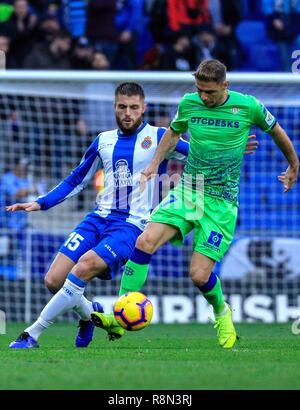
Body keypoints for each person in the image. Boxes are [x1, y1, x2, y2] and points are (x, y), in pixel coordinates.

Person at [7, 81, 257, 349]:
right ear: (114, 107)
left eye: (134, 108)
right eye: (123, 107)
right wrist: (41, 203)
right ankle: (90, 314)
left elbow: (199, 153)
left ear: (143, 108)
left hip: (130, 226)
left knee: (84, 267)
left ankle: (31, 334)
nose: (128, 113)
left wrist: (229, 149)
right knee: (53, 280)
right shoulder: (103, 140)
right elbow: (76, 179)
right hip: (97, 218)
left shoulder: (160, 136)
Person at [92, 59, 299, 349]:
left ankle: (221, 312)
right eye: (200, 90)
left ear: (224, 86)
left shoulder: (249, 106)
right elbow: (174, 132)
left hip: (221, 203)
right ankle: (119, 316)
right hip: (190, 190)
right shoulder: (189, 103)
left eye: (210, 92)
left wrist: (293, 165)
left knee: (199, 275)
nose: (203, 96)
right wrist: (153, 166)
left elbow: (276, 131)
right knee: (144, 241)